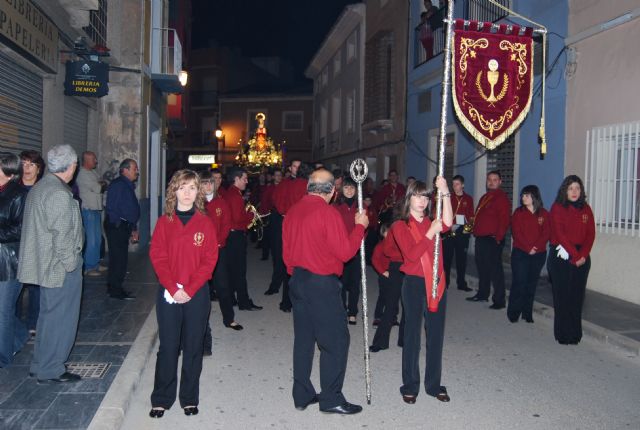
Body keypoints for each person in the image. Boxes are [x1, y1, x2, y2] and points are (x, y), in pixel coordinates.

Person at [283, 168, 369, 414]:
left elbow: (286, 253)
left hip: (297, 280)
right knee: (336, 341)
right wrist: (360, 227)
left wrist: (297, 275)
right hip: (321, 284)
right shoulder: (327, 213)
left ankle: (302, 394)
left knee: (304, 340)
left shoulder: (293, 211)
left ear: (309, 187)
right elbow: (345, 252)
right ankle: (331, 399)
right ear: (333, 191)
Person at [149, 170, 218, 418]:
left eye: (191, 188)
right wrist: (172, 287)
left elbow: (210, 260)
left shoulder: (205, 222)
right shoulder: (164, 222)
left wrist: (189, 289)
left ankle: (189, 397)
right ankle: (161, 398)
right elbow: (158, 257)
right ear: (173, 191)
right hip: (169, 293)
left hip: (196, 293)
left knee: (193, 346)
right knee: (168, 346)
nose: (187, 193)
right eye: (182, 187)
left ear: (198, 191)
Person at [18, 145, 84, 383]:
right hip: (58, 269)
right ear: (71, 166)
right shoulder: (58, 193)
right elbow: (62, 237)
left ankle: (40, 364)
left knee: (47, 317)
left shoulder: (41, 187)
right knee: (61, 319)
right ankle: (51, 368)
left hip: (46, 266)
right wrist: (72, 264)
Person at [390, 177, 452, 404]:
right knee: (412, 336)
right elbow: (412, 255)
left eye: (426, 196)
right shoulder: (399, 226)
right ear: (409, 198)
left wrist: (445, 192)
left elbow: (448, 221)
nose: (422, 201)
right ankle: (410, 385)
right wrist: (430, 233)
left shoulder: (432, 221)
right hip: (415, 284)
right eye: (417, 196)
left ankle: (434, 384)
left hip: (436, 284)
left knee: (435, 336)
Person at [548, 175, 595, 345]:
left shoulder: (586, 209)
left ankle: (575, 334)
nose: (574, 192)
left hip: (582, 257)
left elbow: (590, 234)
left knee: (577, 297)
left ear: (581, 191)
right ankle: (563, 334)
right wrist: (575, 256)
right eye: (571, 188)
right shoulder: (558, 208)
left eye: (577, 188)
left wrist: (582, 255)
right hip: (561, 256)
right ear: (565, 191)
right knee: (562, 297)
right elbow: (560, 234)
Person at [200, 171, 242, 352]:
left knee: (223, 285)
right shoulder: (196, 204)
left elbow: (226, 224)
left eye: (211, 182)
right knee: (201, 289)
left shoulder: (221, 203)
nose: (208, 186)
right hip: (200, 252)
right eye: (205, 183)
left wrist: (219, 242)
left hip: (218, 250)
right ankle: (200, 323)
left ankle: (229, 318)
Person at [0, 152, 29, 366]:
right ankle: (19, 336)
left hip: (10, 260)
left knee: (4, 309)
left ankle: (3, 357)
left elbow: (21, 229)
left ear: (8, 172)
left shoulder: (19, 194)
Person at [467, 170, 511, 309]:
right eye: (489, 180)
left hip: (492, 239)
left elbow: (504, 220)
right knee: (482, 268)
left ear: (500, 182)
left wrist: (498, 238)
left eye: (494, 180)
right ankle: (482, 294)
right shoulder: (485, 197)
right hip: (481, 238)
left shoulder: (501, 198)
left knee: (495, 270)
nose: (491, 182)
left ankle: (499, 300)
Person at [268, 160, 307, 313]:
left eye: (299, 166)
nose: (297, 168)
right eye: (294, 166)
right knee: (286, 262)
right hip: (287, 225)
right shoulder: (283, 184)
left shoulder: (305, 183)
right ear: (290, 168)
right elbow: (278, 202)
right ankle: (286, 300)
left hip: (302, 227)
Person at [507, 185, 550, 323]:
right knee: (519, 282)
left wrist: (536, 247)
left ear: (534, 197)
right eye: (523, 195)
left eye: (526, 195)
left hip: (538, 254)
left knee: (531, 283)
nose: (523, 198)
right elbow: (516, 233)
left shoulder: (544, 214)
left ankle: (527, 313)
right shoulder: (518, 213)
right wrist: (528, 248)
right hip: (521, 253)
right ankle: (514, 313)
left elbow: (546, 233)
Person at [223, 167, 262, 310]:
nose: (247, 181)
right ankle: (243, 302)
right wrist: (252, 216)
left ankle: (233, 299)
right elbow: (238, 218)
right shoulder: (235, 195)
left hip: (232, 236)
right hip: (236, 236)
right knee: (239, 271)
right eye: (244, 178)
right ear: (237, 179)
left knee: (233, 270)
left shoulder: (231, 193)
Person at [15, 150, 45, 337]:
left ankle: (33, 322)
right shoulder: (12, 188)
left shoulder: (42, 190)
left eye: (31, 164)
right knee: (15, 288)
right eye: (24, 163)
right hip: (15, 244)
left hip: (36, 244)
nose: (26, 168)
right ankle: (15, 323)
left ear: (38, 169)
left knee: (35, 286)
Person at [105, 159, 140, 300]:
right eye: (134, 169)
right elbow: (112, 207)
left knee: (120, 258)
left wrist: (132, 228)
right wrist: (119, 224)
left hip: (124, 226)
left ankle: (114, 286)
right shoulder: (118, 185)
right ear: (125, 170)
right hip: (117, 227)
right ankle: (115, 290)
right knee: (118, 259)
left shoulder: (127, 185)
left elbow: (129, 208)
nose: (137, 171)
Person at [369, 223, 404, 352]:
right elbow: (377, 258)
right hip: (393, 271)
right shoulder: (383, 245)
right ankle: (380, 341)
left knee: (409, 308)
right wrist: (383, 272)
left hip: (408, 270)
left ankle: (405, 339)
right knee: (388, 304)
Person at [334, 177, 362, 324]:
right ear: (342, 190)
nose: (349, 190)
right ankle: (342, 309)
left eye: (352, 188)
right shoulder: (337, 207)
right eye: (346, 188)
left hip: (356, 249)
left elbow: (365, 226)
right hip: (341, 249)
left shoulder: (361, 206)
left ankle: (353, 311)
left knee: (354, 283)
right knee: (342, 282)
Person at [76, 151, 107, 277]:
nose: (96, 161)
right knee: (92, 239)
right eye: (93, 159)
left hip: (96, 209)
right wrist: (101, 185)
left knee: (98, 238)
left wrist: (101, 184)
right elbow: (99, 187)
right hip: (88, 209)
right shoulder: (82, 174)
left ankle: (95, 263)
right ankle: (88, 267)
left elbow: (103, 183)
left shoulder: (93, 172)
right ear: (86, 160)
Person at [442, 175, 473, 291]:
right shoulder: (449, 197)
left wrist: (467, 232)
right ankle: (445, 282)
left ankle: (461, 283)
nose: (455, 187)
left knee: (462, 259)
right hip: (450, 230)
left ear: (463, 185)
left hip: (462, 231)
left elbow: (471, 216)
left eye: (457, 184)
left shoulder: (468, 199)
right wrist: (448, 227)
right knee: (447, 259)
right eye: (453, 184)